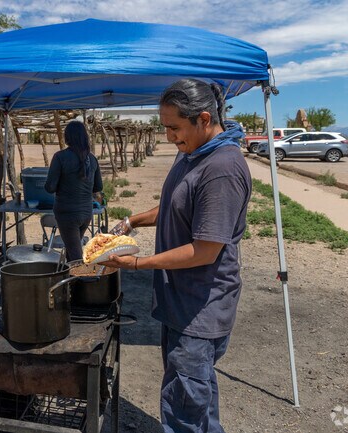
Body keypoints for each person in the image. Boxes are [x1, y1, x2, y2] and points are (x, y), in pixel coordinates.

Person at [104, 78, 251, 433]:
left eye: (174, 128)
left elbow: (205, 250)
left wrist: (137, 264)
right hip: (180, 303)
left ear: (203, 118)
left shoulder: (221, 168)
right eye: (165, 127)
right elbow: (174, 205)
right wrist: (132, 220)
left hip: (200, 308)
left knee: (185, 409)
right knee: (194, 399)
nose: (169, 136)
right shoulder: (192, 154)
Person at [44, 120, 103, 262]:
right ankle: (71, 283)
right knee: (72, 251)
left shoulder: (60, 157)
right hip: (86, 213)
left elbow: (50, 187)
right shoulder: (92, 159)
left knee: (76, 257)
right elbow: (98, 187)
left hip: (67, 214)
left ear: (67, 137)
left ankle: (87, 281)